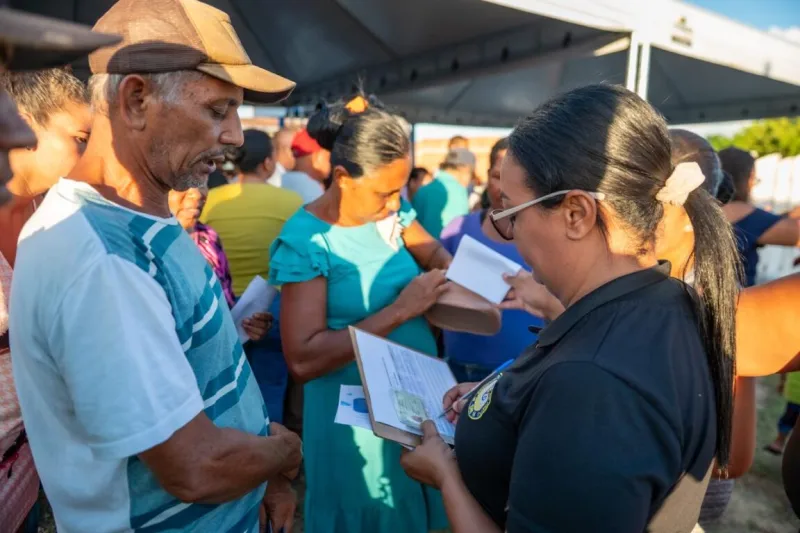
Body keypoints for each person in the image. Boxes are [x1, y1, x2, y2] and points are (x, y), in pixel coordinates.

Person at [9, 1, 303, 531]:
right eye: (217, 110)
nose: (236, 136)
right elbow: (194, 468)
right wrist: (283, 455)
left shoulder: (140, 221)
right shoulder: (100, 258)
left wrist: (263, 477)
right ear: (137, 99)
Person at [400, 84, 740, 533]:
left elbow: (585, 395)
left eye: (514, 214)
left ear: (577, 214)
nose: (512, 234)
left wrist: (445, 476)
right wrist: (499, 401)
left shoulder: (594, 385)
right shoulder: (662, 301)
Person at [269, 96, 452, 533]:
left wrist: (445, 278)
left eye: (401, 190)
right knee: (372, 512)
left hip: (415, 402)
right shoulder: (308, 240)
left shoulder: (395, 215)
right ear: (342, 178)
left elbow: (438, 257)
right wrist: (402, 310)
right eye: (385, 192)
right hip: (356, 422)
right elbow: (303, 358)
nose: (396, 203)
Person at [0, 14, 119, 532]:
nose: (86, 156)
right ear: (21, 119)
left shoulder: (47, 212)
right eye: (78, 137)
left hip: (26, 477)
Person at [201, 128, 303, 422]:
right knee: (268, 391)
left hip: (220, 307)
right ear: (269, 164)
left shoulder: (212, 199)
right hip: (270, 311)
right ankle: (269, 456)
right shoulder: (291, 202)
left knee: (221, 391)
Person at [440, 137, 543, 382]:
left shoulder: (547, 240)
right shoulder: (457, 229)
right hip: (456, 369)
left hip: (520, 375)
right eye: (498, 176)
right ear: (487, 175)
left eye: (514, 180)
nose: (503, 189)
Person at [719, 146, 800, 287]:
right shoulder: (743, 212)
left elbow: (765, 223)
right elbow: (794, 232)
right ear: (749, 178)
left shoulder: (707, 211)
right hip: (739, 304)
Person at [412, 148, 473, 238]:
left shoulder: (422, 191)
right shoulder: (459, 191)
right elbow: (460, 231)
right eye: (471, 173)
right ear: (465, 169)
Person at [277, 128, 330, 203]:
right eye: (328, 156)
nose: (331, 162)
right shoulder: (312, 190)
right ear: (317, 157)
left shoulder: (279, 181)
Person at [766, 373, 800, 455]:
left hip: (794, 392)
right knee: (788, 419)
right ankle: (780, 441)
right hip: (795, 393)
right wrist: (782, 382)